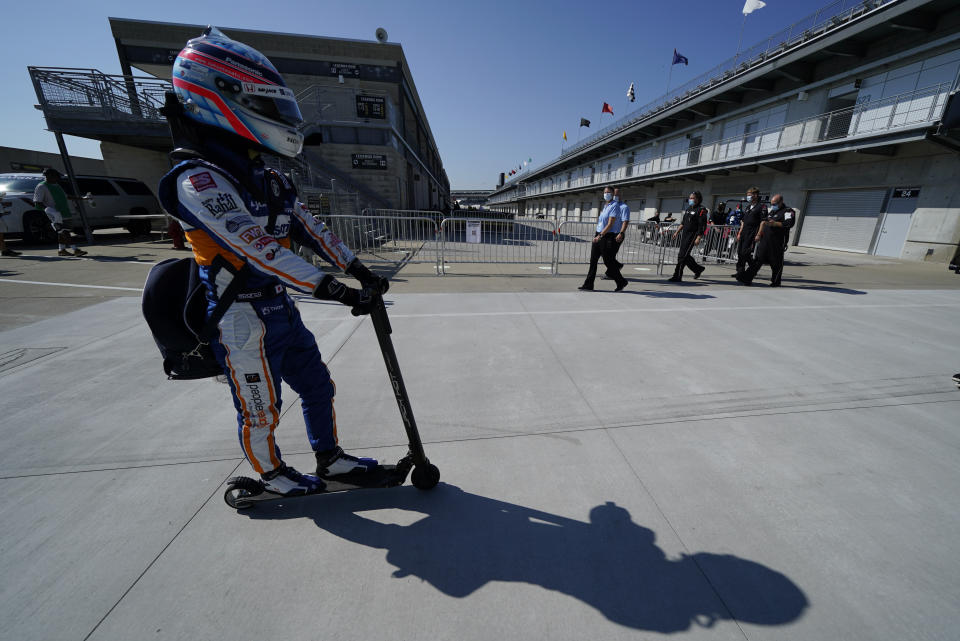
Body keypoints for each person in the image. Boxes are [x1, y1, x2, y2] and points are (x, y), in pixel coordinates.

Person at [157, 27, 391, 497]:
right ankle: (271, 474)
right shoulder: (197, 180)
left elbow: (311, 230)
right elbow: (256, 247)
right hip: (239, 319)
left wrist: (359, 269)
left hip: (281, 310)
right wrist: (334, 289)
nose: (282, 121)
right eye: (270, 110)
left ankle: (331, 460)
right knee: (261, 408)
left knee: (319, 387)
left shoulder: (269, 179)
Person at [736, 193, 796, 287]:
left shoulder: (788, 211)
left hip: (777, 241)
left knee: (775, 263)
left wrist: (775, 224)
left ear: (781, 202)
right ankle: (747, 278)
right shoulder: (772, 211)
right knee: (758, 260)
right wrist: (759, 233)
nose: (773, 206)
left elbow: (789, 224)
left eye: (775, 204)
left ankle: (776, 281)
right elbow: (764, 222)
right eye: (772, 204)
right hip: (765, 240)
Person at [579, 185, 628, 291]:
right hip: (599, 233)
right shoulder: (606, 205)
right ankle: (588, 284)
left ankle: (621, 281)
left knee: (608, 261)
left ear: (612, 193)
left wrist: (600, 236)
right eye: (605, 192)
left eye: (608, 192)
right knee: (593, 260)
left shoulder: (614, 205)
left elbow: (610, 224)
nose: (606, 194)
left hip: (606, 236)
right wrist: (598, 234)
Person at [33, 168, 87, 257]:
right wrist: (48, 210)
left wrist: (82, 198)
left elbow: (67, 197)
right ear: (48, 176)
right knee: (64, 231)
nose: (57, 178)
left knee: (62, 232)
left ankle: (61, 250)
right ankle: (75, 249)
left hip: (65, 212)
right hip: (55, 214)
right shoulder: (41, 186)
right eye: (56, 176)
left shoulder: (57, 185)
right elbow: (37, 202)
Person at [667, 191, 707, 282]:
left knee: (682, 256)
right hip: (685, 235)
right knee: (684, 256)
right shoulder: (688, 208)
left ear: (697, 199)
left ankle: (677, 275)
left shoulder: (701, 210)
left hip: (693, 235)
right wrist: (676, 232)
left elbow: (703, 226)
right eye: (690, 198)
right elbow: (683, 223)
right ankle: (698, 269)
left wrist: (698, 237)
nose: (690, 199)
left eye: (692, 198)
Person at [733, 187, 765, 278]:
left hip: (752, 232)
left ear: (755, 195)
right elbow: (743, 221)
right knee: (740, 252)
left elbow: (762, 221)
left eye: (749, 195)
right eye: (747, 195)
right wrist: (740, 232)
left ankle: (753, 268)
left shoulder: (761, 207)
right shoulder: (748, 207)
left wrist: (759, 234)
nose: (748, 197)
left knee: (745, 253)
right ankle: (740, 271)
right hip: (744, 232)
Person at [601, 188, 630, 279]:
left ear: (620, 195)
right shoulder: (609, 205)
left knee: (610, 256)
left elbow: (625, 221)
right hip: (609, 234)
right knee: (606, 255)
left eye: (616, 195)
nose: (614, 197)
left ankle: (610, 273)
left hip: (617, 234)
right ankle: (617, 266)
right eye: (614, 195)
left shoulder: (624, 207)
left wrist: (621, 233)